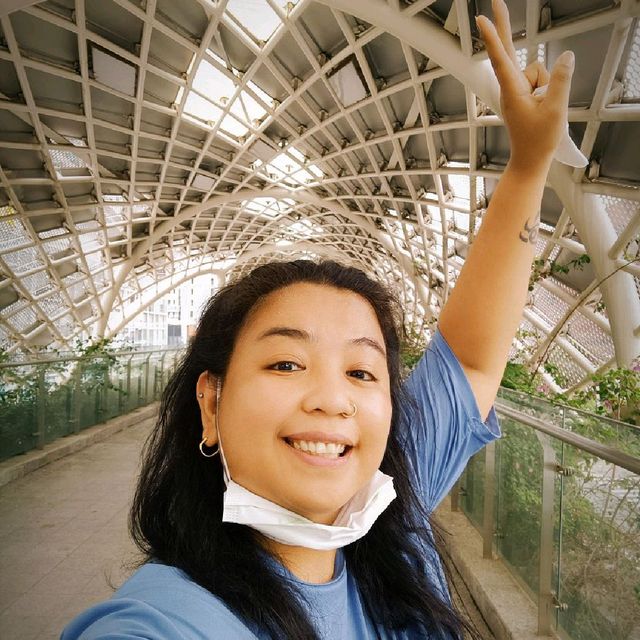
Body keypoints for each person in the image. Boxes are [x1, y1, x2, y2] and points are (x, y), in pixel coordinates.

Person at [61, 1, 575, 637]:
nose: (334, 399)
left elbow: (471, 357)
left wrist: (528, 165)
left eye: (363, 372)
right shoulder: (163, 623)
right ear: (211, 401)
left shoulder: (394, 521)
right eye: (285, 362)